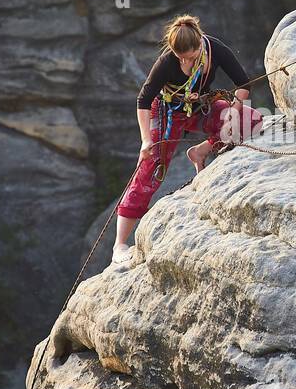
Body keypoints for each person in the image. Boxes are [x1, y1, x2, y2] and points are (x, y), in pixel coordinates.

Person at [112, 14, 263, 263]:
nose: (185, 61)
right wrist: (146, 140)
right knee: (151, 170)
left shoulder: (215, 49)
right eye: (180, 56)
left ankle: (201, 151)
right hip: (168, 111)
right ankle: (119, 244)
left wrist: (232, 116)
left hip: (201, 108)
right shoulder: (167, 62)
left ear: (199, 45)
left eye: (190, 57)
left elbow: (243, 83)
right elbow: (144, 100)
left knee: (252, 121)